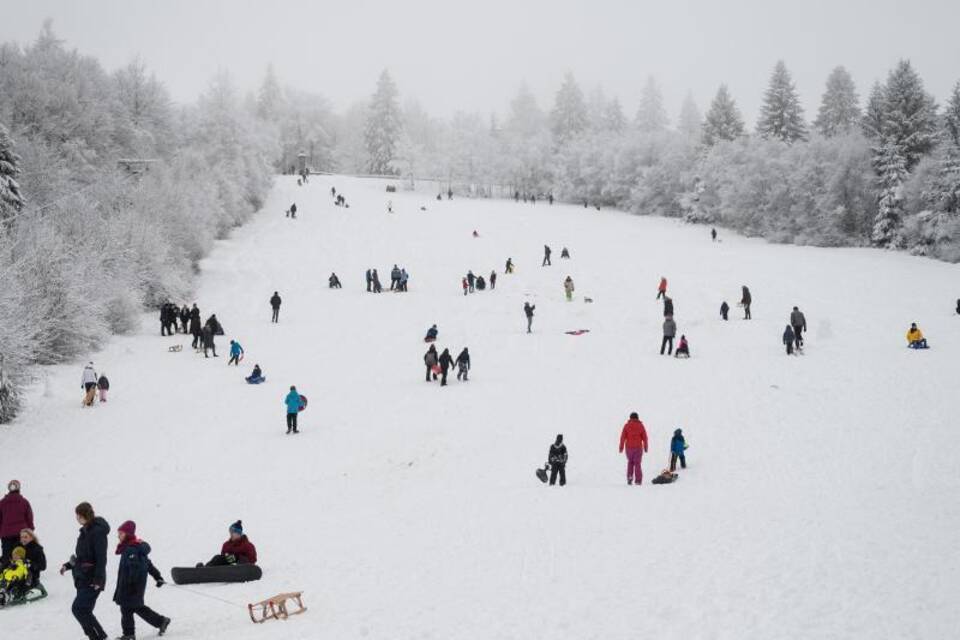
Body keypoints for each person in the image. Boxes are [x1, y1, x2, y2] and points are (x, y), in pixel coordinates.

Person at [112, 521, 170, 640]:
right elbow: (147, 564)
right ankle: (160, 621)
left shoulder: (131, 549)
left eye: (121, 533)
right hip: (133, 586)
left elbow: (134, 568)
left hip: (131, 586)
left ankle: (130, 634)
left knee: (129, 608)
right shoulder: (135, 547)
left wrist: (131, 585)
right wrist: (157, 576)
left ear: (128, 534)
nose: (118, 536)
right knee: (132, 608)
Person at [61, 502, 110, 640]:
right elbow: (82, 557)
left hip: (92, 578)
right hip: (82, 577)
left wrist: (98, 579)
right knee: (84, 610)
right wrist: (69, 565)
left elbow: (101, 558)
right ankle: (99, 636)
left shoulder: (97, 532)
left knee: (78, 608)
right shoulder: (84, 531)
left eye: (78, 515)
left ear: (84, 515)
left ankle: (97, 636)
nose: (76, 518)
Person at [0, 480, 34, 564]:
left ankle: (5, 570)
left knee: (6, 555)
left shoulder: (2, 503)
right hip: (21, 533)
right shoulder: (24, 502)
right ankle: (22, 572)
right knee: (21, 552)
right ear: (19, 489)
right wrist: (30, 529)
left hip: (6, 534)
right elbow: (29, 517)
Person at [619, 413, 649, 486]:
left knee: (630, 462)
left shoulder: (626, 426)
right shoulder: (641, 426)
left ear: (630, 418)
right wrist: (645, 447)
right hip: (638, 448)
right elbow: (645, 438)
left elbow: (622, 437)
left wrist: (621, 447)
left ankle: (629, 477)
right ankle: (638, 480)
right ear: (637, 418)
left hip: (629, 448)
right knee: (637, 464)